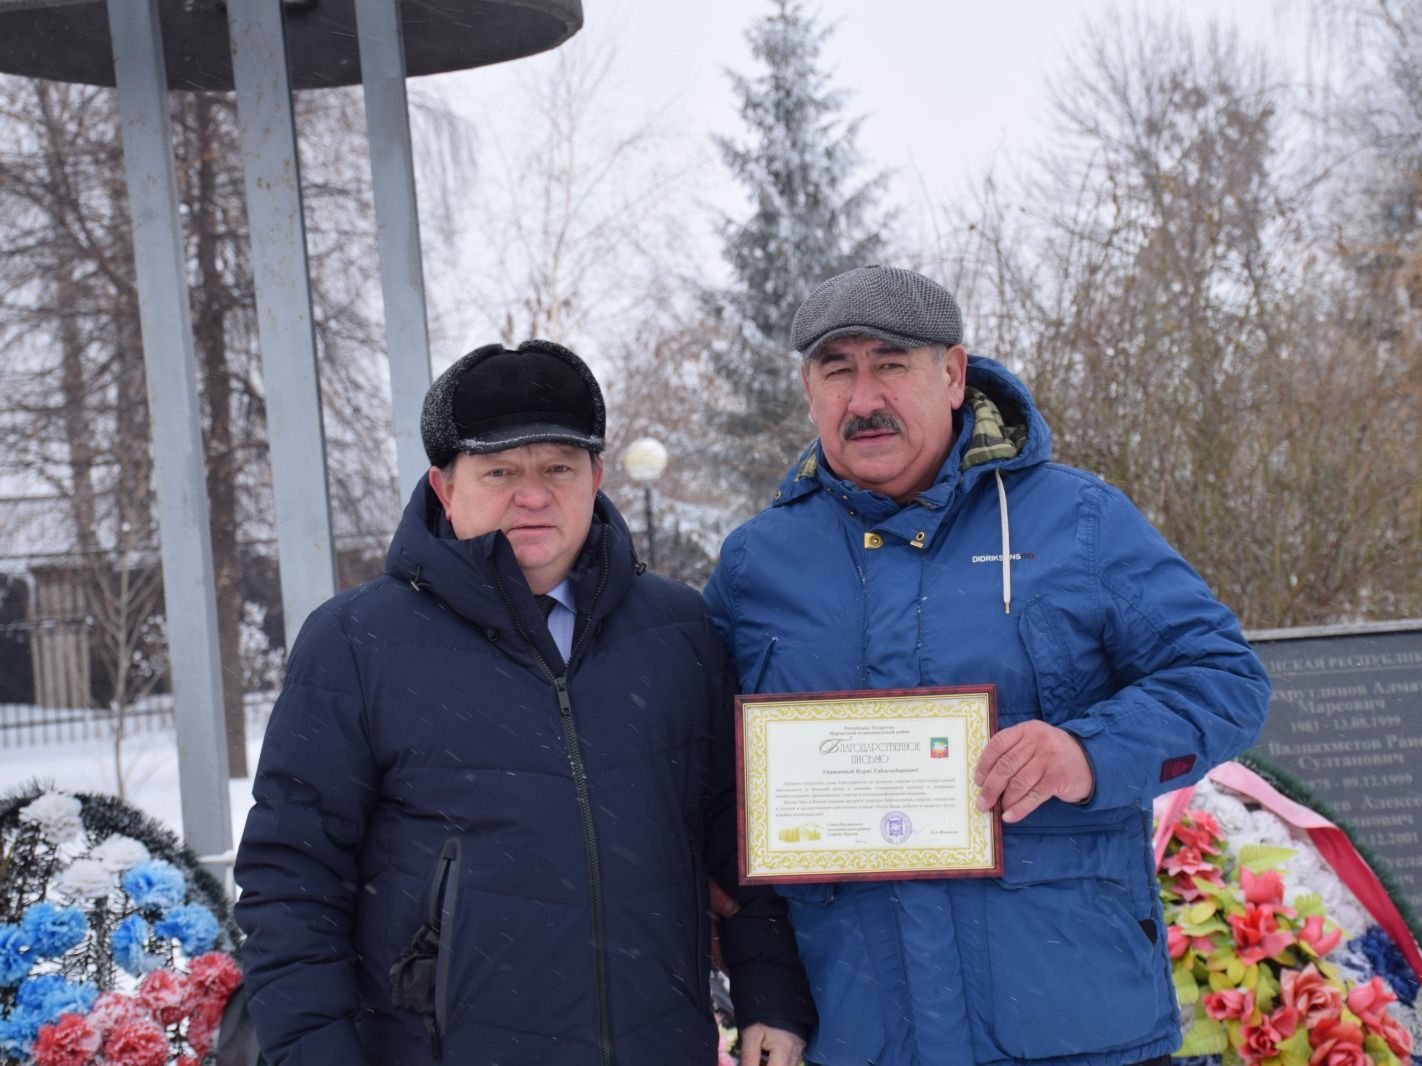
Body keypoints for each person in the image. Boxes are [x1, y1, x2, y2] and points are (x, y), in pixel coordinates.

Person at [704, 266, 1272, 1066]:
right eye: (838, 371)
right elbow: (716, 790)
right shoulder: (757, 566)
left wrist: (1086, 753)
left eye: (891, 365)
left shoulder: (1079, 522)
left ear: (954, 373)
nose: (864, 398)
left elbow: (1224, 678)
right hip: (859, 1034)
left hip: (1075, 1028)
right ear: (809, 389)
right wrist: (765, 985)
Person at [235, 340, 813, 1066]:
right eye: (500, 471)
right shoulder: (356, 644)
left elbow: (740, 839)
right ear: (445, 487)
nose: (532, 495)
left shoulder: (678, 631)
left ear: (596, 478)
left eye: (558, 469)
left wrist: (772, 995)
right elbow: (291, 884)